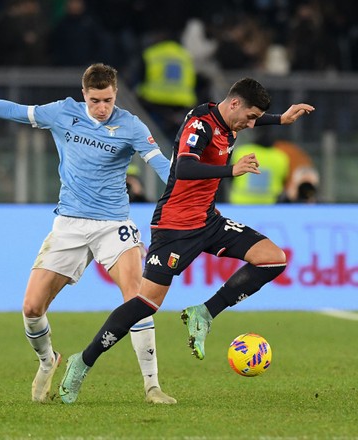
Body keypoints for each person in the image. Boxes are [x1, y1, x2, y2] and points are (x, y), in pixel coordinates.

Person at [0, 63, 177, 405]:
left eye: (108, 99)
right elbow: (12, 110)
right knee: (31, 307)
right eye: (95, 100)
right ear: (83, 94)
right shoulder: (62, 113)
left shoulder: (130, 125)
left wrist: (190, 190)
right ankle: (48, 360)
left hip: (113, 224)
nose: (102, 107)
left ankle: (152, 387)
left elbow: (162, 164)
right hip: (69, 225)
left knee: (137, 300)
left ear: (115, 94)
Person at [56, 77, 314, 404]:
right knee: (145, 304)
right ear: (233, 104)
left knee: (273, 258)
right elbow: (184, 167)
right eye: (250, 117)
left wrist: (281, 119)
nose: (251, 125)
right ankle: (83, 361)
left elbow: (247, 118)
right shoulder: (199, 125)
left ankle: (204, 313)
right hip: (175, 226)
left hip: (208, 220)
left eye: (255, 119)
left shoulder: (229, 119)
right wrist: (231, 171)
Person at [228, 128, 290, 204]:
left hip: (240, 203)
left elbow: (230, 176)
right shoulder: (281, 157)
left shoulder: (242, 152)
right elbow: (284, 181)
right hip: (270, 205)